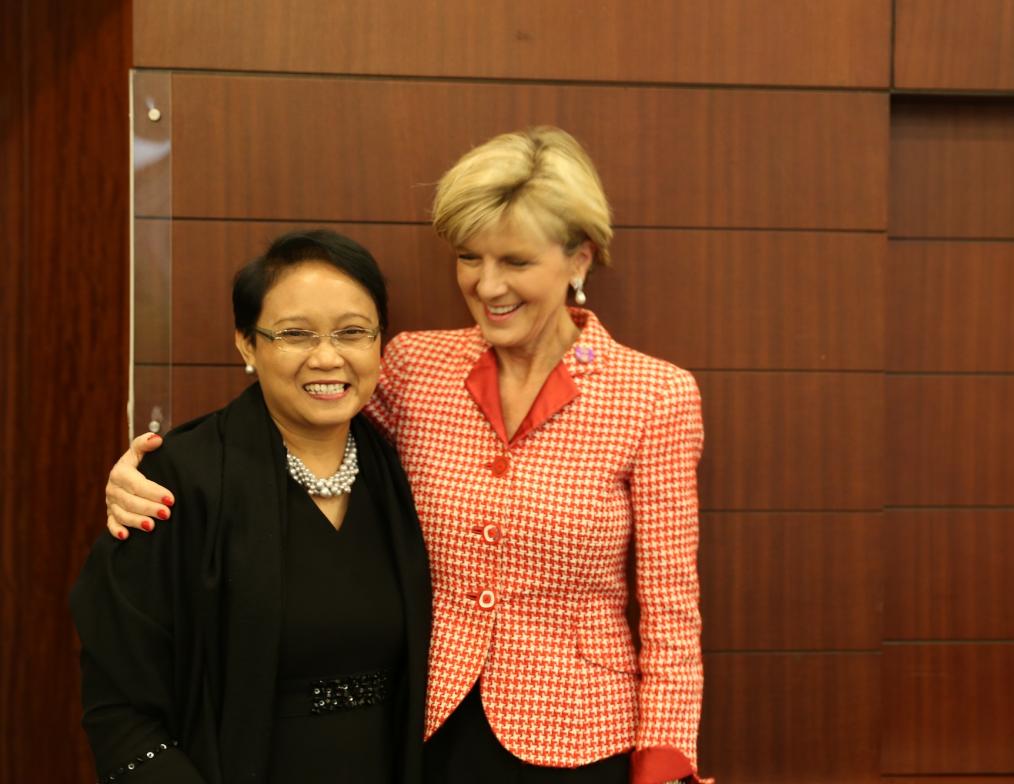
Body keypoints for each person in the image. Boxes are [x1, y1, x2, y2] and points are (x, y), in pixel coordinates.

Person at [105, 128, 707, 783]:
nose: (487, 284)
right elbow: (296, 413)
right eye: (470, 257)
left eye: (516, 261)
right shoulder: (416, 364)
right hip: (424, 722)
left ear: (580, 260)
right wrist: (142, 474)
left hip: (581, 734)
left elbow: (671, 607)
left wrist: (665, 758)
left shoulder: (655, 395)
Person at [74, 230, 432, 784]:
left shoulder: (404, 468)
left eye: (353, 332)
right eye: (295, 334)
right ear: (247, 343)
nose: (328, 357)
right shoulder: (178, 481)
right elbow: (119, 705)